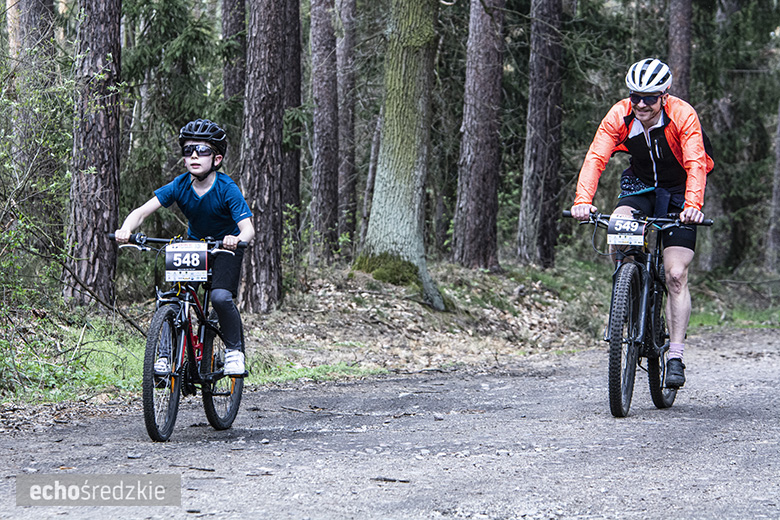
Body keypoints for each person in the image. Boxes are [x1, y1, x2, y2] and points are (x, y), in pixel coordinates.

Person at [570, 58, 714, 388]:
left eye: (649, 97)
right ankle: (629, 287)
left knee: (676, 274)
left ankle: (675, 356)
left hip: (679, 192)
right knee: (617, 230)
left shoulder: (682, 115)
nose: (641, 104)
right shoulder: (620, 114)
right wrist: (582, 201)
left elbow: (695, 164)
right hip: (640, 186)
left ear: (664, 95)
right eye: (635, 96)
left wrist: (692, 206)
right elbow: (596, 158)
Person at [115, 119, 255, 376]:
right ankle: (166, 356)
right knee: (175, 299)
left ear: (217, 158)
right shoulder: (180, 185)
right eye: (188, 150)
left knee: (220, 297)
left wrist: (236, 239)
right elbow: (142, 211)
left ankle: (235, 352)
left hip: (226, 247)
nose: (194, 155)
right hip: (195, 245)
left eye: (202, 150)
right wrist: (127, 229)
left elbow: (248, 228)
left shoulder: (227, 188)